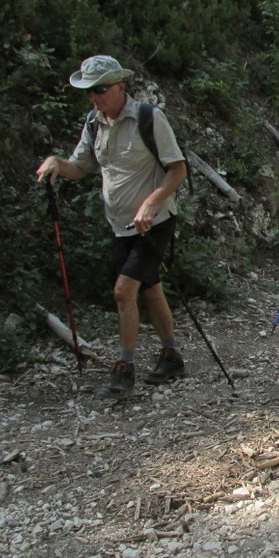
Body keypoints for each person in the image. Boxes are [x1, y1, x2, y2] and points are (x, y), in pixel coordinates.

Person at [36, 55, 188, 398]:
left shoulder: (149, 118)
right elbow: (81, 166)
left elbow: (177, 169)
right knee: (150, 288)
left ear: (121, 86)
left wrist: (151, 203)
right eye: (90, 90)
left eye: (101, 89)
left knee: (123, 290)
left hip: (155, 222)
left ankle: (124, 367)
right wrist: (56, 164)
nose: (95, 96)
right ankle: (171, 355)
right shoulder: (94, 122)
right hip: (120, 225)